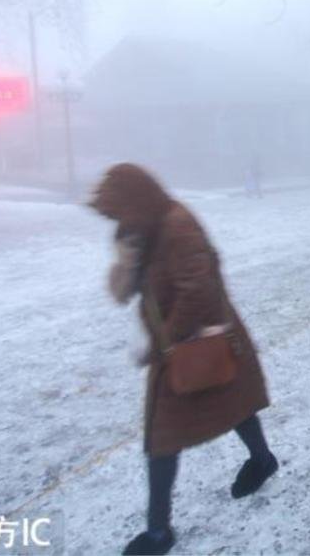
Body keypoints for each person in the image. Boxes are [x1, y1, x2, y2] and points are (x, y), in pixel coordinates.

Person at [89, 163, 278, 556]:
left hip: (201, 343)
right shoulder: (143, 230)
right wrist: (126, 259)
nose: (117, 221)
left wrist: (165, 342)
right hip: (179, 345)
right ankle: (261, 460)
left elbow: (200, 291)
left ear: (136, 201)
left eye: (119, 212)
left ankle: (159, 532)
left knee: (165, 435)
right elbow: (124, 291)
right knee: (230, 408)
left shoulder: (178, 225)